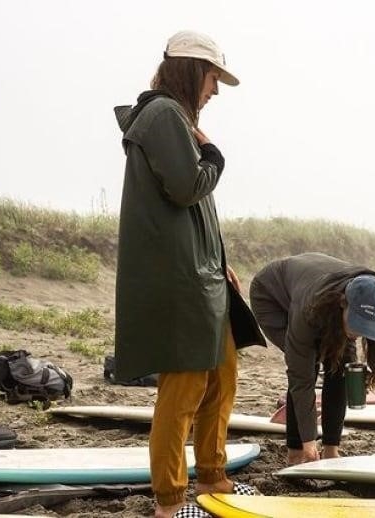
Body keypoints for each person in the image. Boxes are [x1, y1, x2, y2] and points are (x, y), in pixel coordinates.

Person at [113, 30, 265, 518]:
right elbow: (186, 187)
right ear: (190, 70)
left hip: (204, 275)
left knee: (222, 374)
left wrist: (220, 261)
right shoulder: (161, 116)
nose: (215, 91)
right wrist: (216, 155)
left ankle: (213, 479)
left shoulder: (174, 119)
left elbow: (195, 210)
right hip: (179, 281)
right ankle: (169, 500)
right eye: (212, 78)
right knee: (181, 391)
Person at [249, 253, 375, 465]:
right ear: (343, 304)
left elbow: (345, 367)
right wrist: (309, 442)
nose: (357, 333)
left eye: (365, 327)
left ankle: (330, 450)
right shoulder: (310, 308)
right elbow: (300, 380)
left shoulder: (372, 294)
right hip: (273, 297)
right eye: (355, 324)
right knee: (306, 367)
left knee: (340, 368)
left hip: (317, 294)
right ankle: (295, 451)